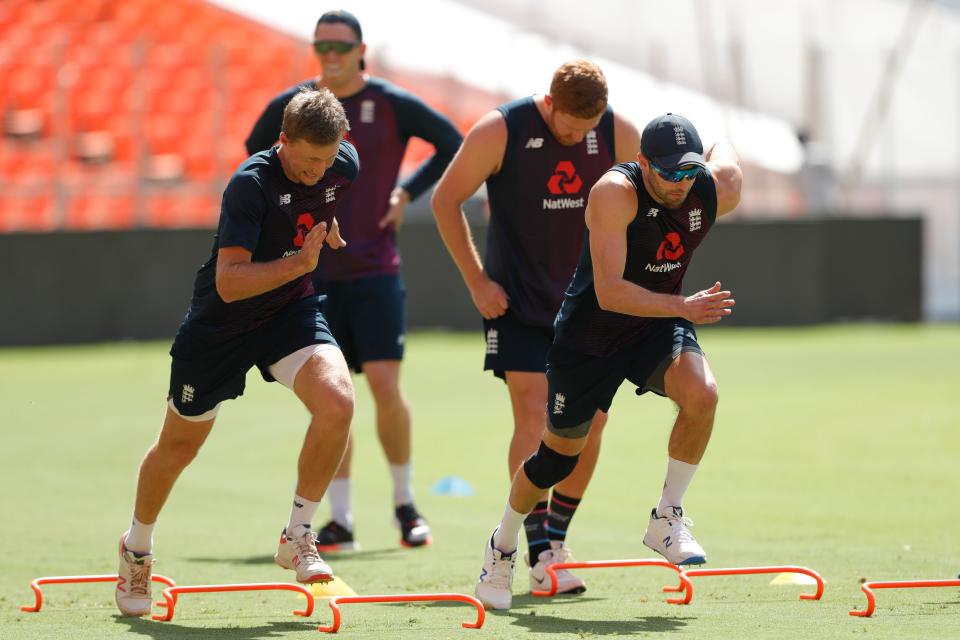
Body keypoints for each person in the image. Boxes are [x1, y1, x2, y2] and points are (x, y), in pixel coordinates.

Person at [471, 112, 743, 610]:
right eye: (668, 173)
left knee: (703, 394)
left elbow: (725, 155)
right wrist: (684, 306)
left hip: (655, 326)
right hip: (589, 337)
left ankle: (667, 516)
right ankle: (503, 545)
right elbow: (611, 291)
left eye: (688, 171)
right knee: (556, 457)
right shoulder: (613, 192)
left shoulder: (714, 186)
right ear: (643, 162)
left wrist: (716, 144)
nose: (680, 183)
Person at [115, 88, 358, 617]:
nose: (320, 169)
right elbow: (229, 282)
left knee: (338, 402)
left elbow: (326, 195)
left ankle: (297, 535)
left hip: (288, 314)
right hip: (222, 325)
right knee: (177, 447)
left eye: (328, 157)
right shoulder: (250, 185)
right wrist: (299, 261)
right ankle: (136, 547)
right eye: (308, 159)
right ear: (283, 141)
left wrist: (327, 222)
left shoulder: (343, 164)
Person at [246, 10, 463, 550]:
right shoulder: (296, 106)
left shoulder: (389, 102)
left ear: (361, 48)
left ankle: (405, 505)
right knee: (334, 396)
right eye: (322, 46)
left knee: (386, 387)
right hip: (311, 276)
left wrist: (407, 192)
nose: (332, 55)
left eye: (341, 46)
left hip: (375, 269)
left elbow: (451, 141)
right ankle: (339, 519)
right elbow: (254, 155)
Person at [431, 60, 640, 596]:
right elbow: (444, 199)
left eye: (584, 132)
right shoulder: (500, 129)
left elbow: (651, 193)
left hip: (590, 308)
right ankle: (538, 549)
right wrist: (477, 281)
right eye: (567, 128)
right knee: (535, 411)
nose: (575, 139)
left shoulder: (617, 132)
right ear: (549, 101)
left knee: (590, 423)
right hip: (515, 305)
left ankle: (558, 539)